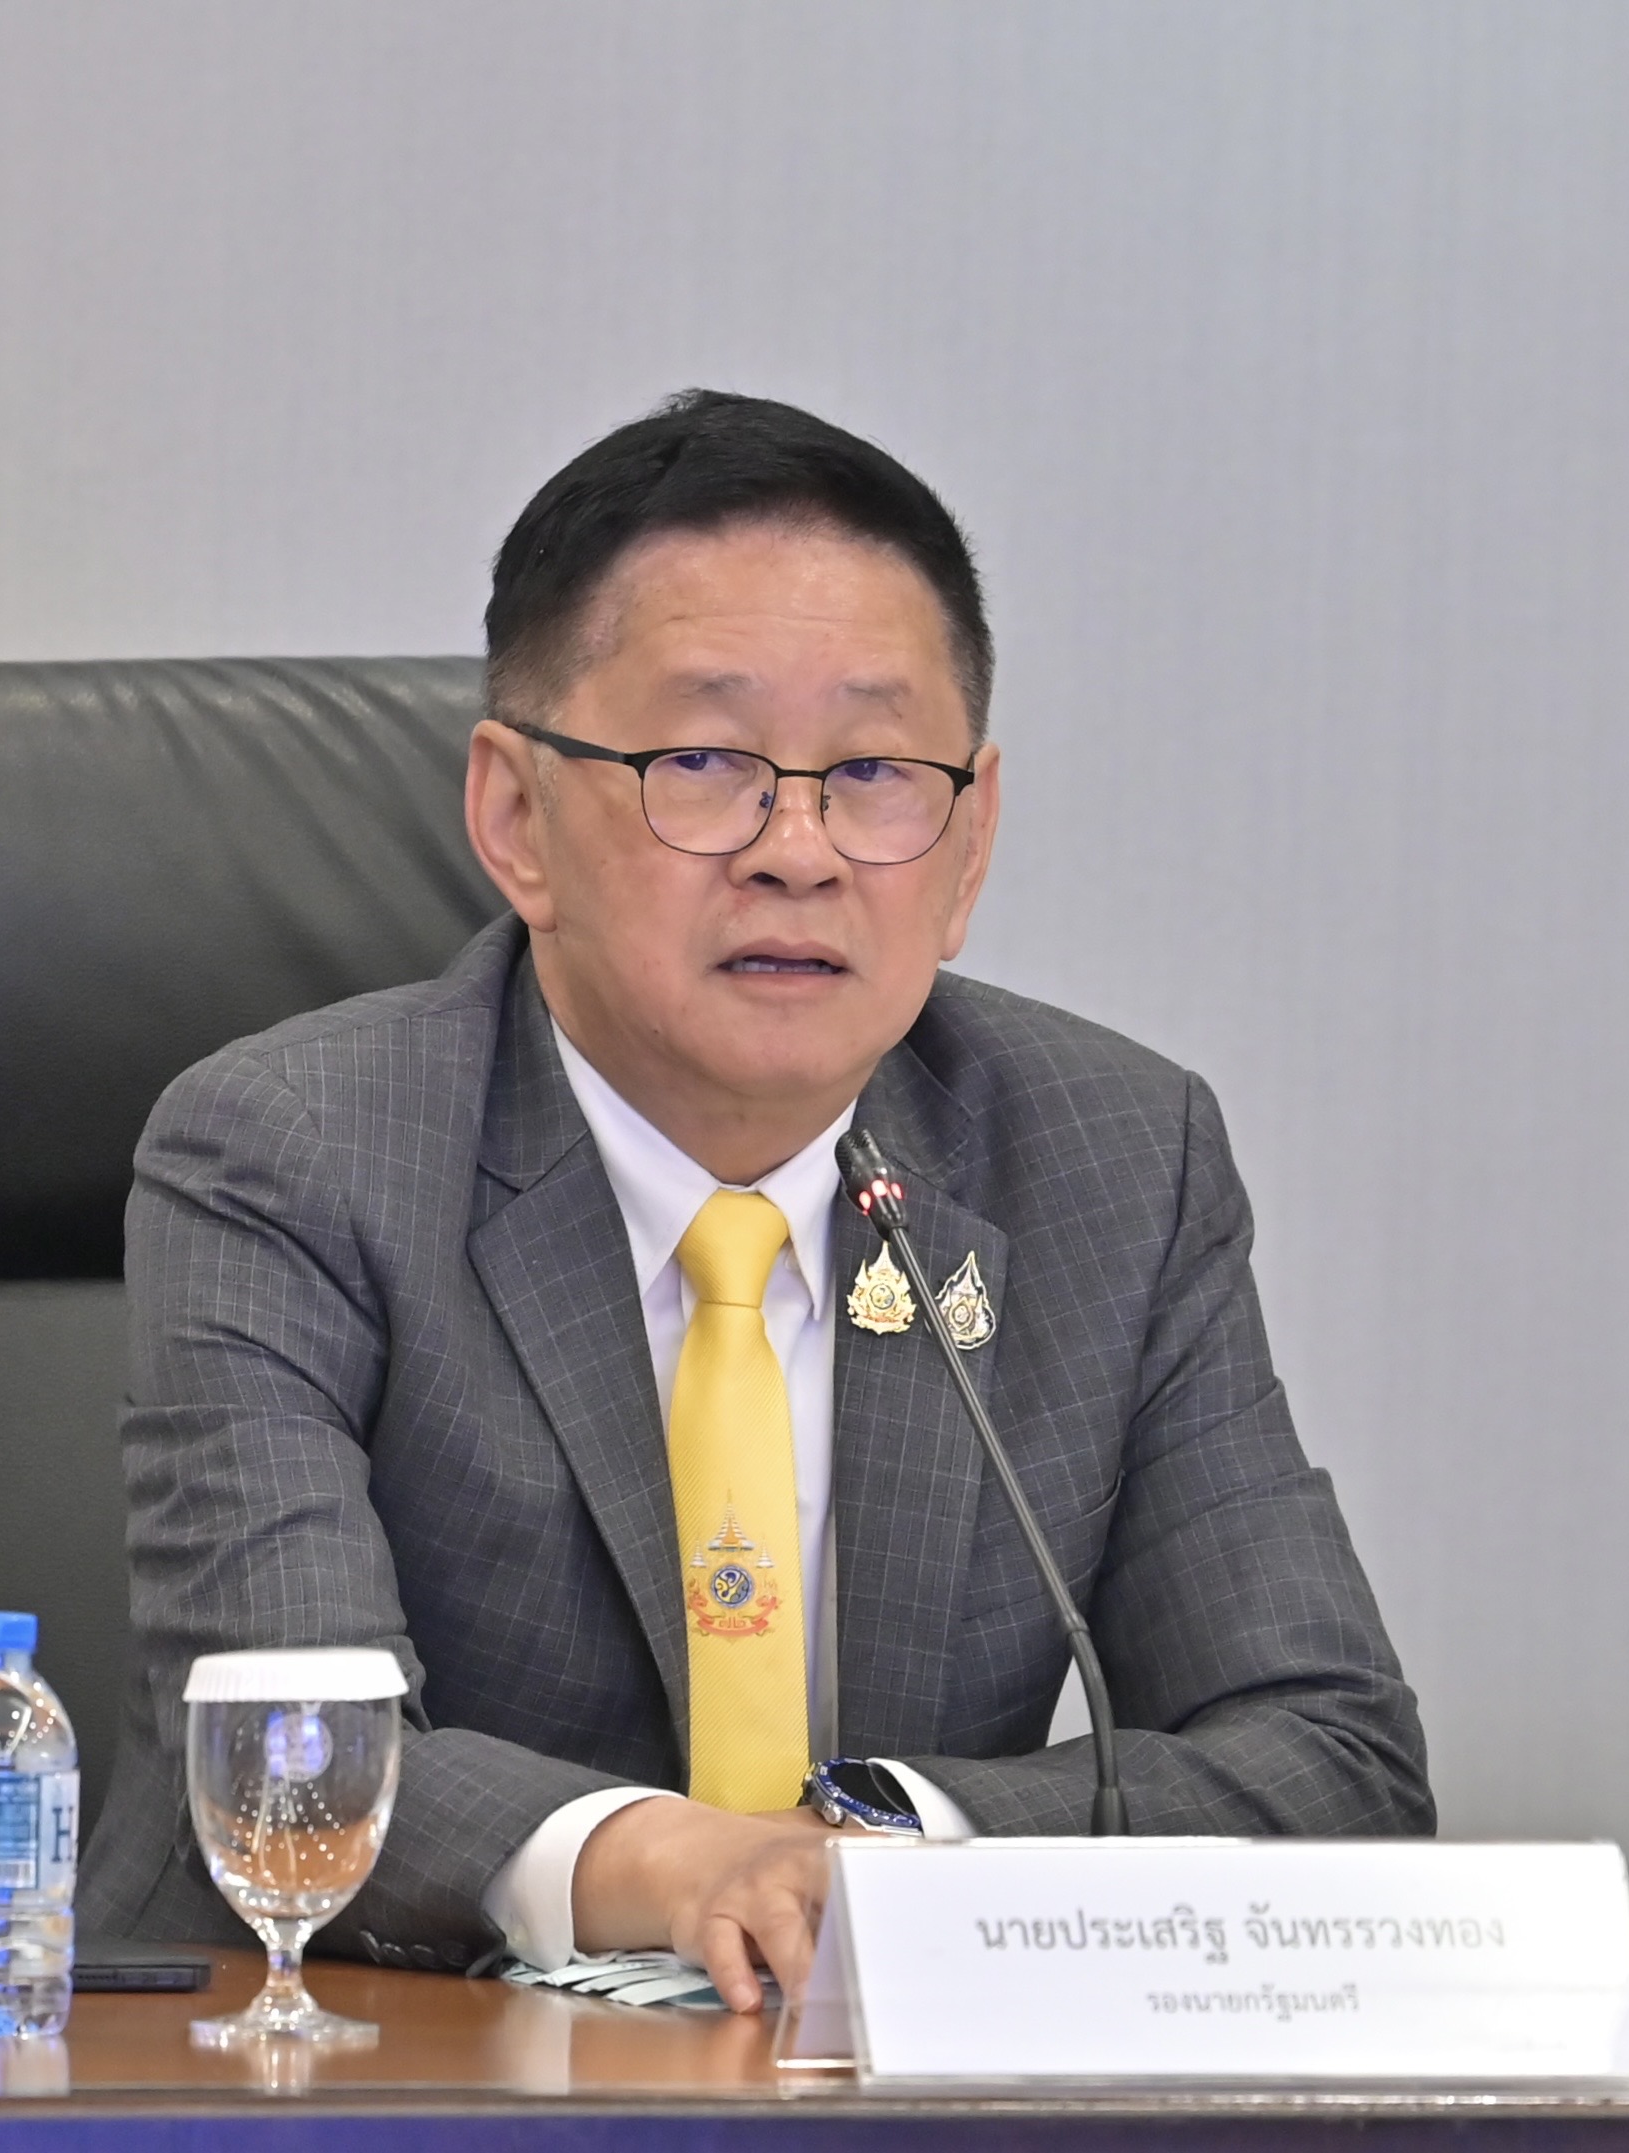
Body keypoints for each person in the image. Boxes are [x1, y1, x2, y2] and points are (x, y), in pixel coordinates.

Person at [81, 390, 1430, 2009]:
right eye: (707, 762)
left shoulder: (1114, 1162)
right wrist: (672, 1864)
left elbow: (1333, 1762)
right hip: (349, 2067)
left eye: (874, 771)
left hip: (869, 2094)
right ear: (515, 817)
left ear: (970, 841)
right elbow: (286, 1748)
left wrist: (876, 1838)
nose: (800, 848)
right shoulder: (293, 1151)